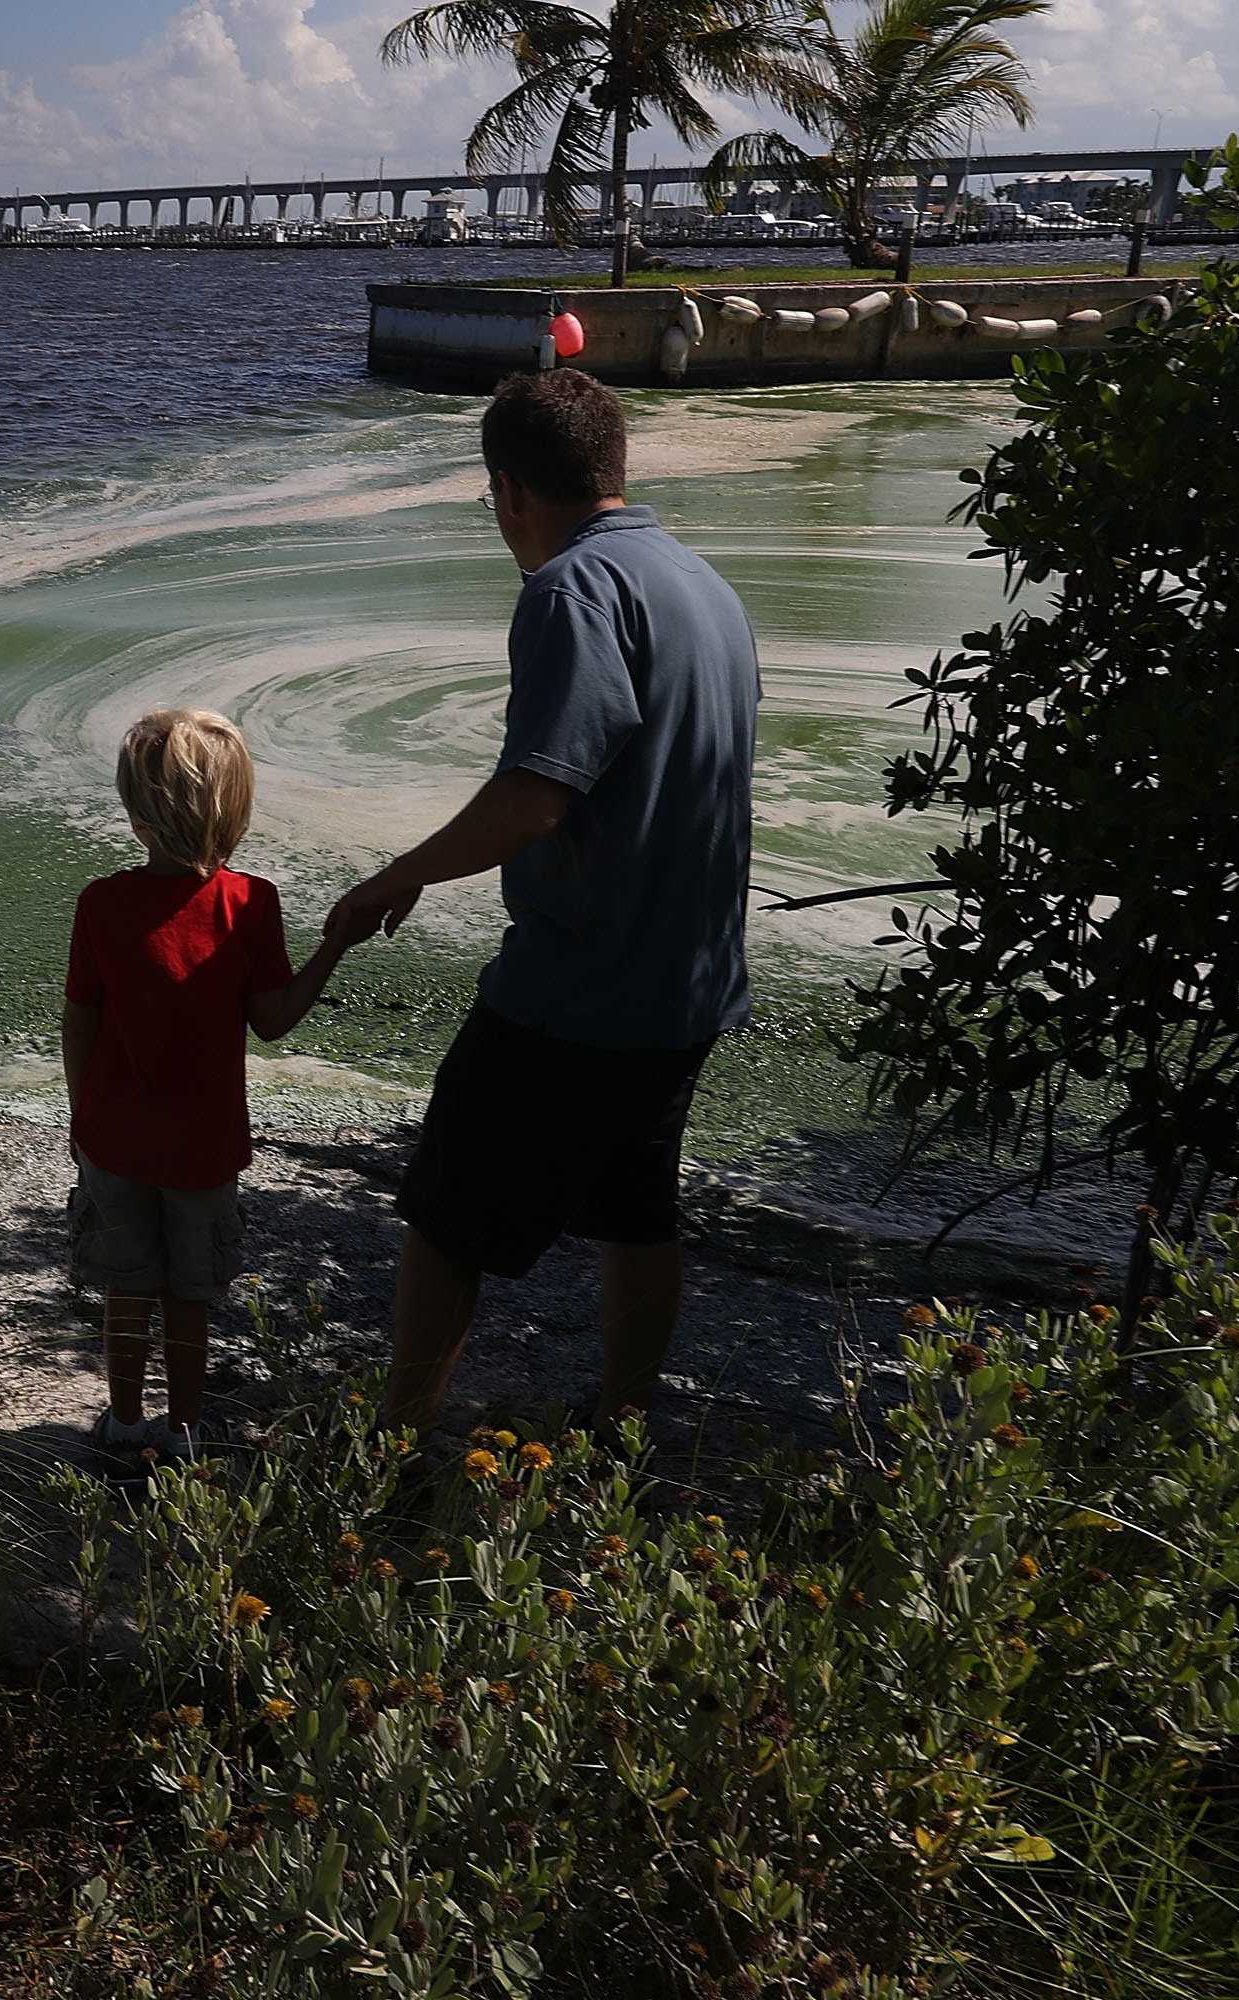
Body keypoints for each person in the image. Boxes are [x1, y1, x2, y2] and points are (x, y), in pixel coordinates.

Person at [324, 369, 760, 1431]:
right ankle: (623, 1422)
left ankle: (396, 1444)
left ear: (510, 488)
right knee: (635, 1207)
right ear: (614, 466)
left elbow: (535, 797)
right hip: (687, 983)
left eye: (492, 501)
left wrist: (397, 874)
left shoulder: (570, 590)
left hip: (580, 987)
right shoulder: (703, 583)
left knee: (444, 1216)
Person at [63, 708, 353, 1468]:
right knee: (187, 1296)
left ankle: (124, 1428)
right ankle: (184, 1434)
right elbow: (274, 1021)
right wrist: (335, 946)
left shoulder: (101, 903)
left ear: (138, 817)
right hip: (204, 1144)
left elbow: (78, 1026)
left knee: (127, 1292)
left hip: (114, 1139)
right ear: (236, 810)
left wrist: (79, 1118)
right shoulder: (250, 904)